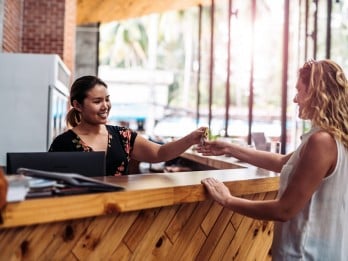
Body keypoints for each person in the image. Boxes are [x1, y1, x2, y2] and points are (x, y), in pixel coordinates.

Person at [197, 59, 348, 260]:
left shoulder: (321, 141)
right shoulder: (336, 138)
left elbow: (284, 209)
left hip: (305, 254)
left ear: (315, 93)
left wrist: (227, 199)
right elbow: (282, 162)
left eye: (299, 91)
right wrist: (229, 148)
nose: (295, 99)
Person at [49, 75, 207, 176]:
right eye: (97, 101)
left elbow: (159, 153)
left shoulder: (123, 136)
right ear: (77, 105)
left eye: (107, 99)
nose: (105, 106)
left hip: (120, 215)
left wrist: (191, 139)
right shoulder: (62, 143)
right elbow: (49, 182)